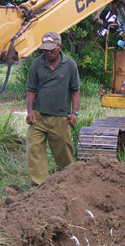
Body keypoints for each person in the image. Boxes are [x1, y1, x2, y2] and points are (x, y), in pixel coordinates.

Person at [26, 31, 80, 185]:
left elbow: (75, 90)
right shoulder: (37, 64)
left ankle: (68, 184)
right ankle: (39, 186)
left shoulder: (69, 65)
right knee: (34, 149)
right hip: (39, 116)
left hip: (60, 117)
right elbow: (31, 90)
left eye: (52, 49)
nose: (48, 52)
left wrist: (74, 113)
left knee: (64, 154)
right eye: (45, 49)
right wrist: (29, 112)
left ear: (60, 47)